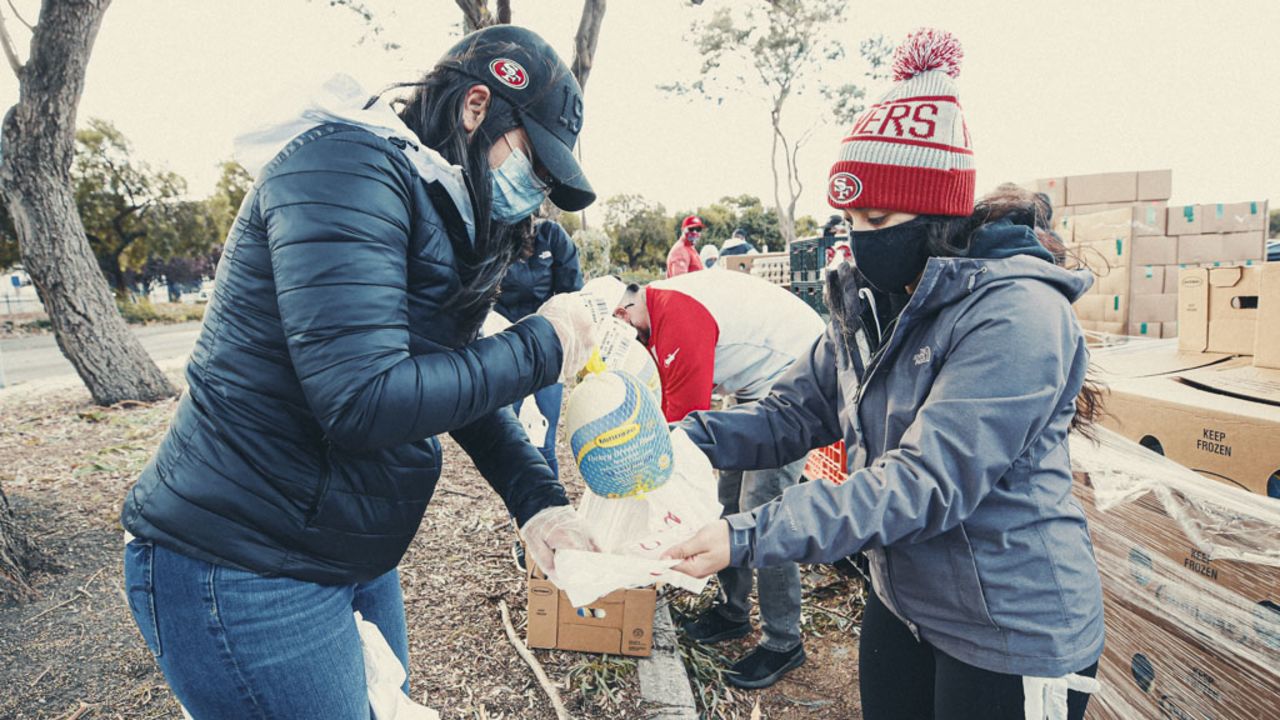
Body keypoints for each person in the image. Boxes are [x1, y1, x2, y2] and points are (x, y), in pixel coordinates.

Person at [120, 26, 602, 718]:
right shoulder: (345, 171)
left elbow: (446, 380)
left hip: (339, 545)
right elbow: (363, 399)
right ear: (475, 107)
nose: (539, 191)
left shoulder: (440, 203)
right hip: (242, 560)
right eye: (535, 163)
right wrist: (542, 346)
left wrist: (538, 503)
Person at [663, 28, 1105, 720]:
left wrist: (746, 534)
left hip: (1013, 633)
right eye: (848, 218)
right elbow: (792, 416)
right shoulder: (868, 303)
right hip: (904, 604)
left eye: (877, 216)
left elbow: (924, 483)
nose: (859, 237)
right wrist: (685, 438)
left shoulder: (1017, 315)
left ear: (936, 215)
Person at [608, 270, 825, 688]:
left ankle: (784, 641)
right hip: (758, 386)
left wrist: (641, 490)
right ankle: (733, 609)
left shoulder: (675, 316)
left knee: (762, 507)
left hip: (796, 375)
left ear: (623, 311)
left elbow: (681, 428)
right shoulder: (657, 314)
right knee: (727, 496)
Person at [495, 217, 583, 477]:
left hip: (547, 348)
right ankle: (516, 513)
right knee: (510, 442)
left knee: (543, 442)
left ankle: (551, 509)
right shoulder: (492, 236)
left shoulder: (551, 235)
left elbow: (572, 292)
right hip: (504, 348)